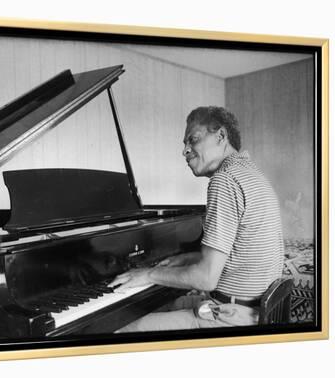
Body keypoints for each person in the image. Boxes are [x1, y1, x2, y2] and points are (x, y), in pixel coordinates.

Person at [110, 106, 284, 332]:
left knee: (120, 328)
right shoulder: (251, 174)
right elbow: (236, 252)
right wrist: (187, 258)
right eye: (185, 144)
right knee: (165, 305)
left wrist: (148, 274)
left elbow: (205, 280)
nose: (185, 151)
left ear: (221, 136)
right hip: (256, 308)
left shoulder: (225, 181)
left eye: (193, 140)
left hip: (231, 317)